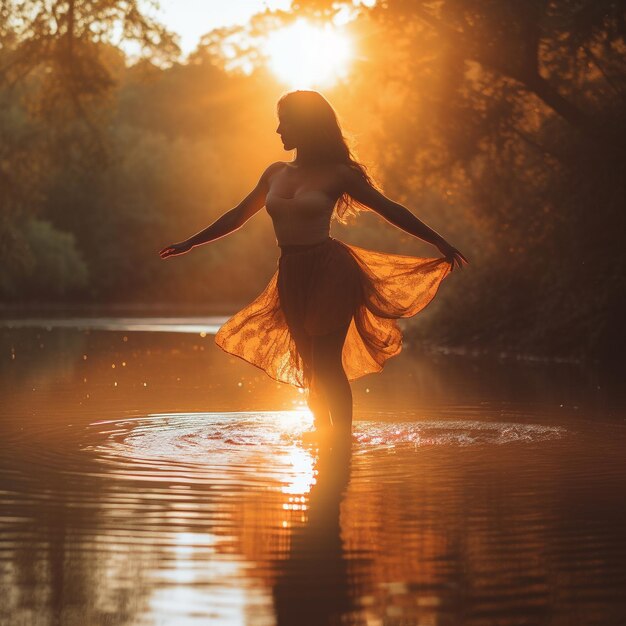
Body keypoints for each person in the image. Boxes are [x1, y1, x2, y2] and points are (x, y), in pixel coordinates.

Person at [160, 90, 468, 445]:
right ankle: (324, 439)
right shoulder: (274, 173)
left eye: (284, 121)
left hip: (330, 270)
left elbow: (391, 209)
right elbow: (237, 215)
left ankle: (343, 443)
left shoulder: (340, 174)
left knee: (325, 362)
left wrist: (438, 241)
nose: (277, 130)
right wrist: (191, 242)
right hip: (291, 272)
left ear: (305, 125)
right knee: (308, 365)